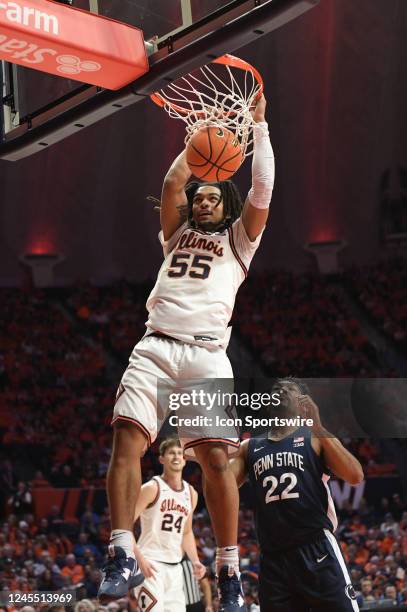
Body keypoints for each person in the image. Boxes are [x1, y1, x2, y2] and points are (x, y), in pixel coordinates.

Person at [98, 93, 275, 611]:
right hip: (154, 346)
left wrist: (257, 129)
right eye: (200, 196)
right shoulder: (175, 236)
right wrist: (195, 149)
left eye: (213, 197)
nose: (202, 201)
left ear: (227, 207)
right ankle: (121, 552)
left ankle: (228, 567)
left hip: (203, 354)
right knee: (126, 442)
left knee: (215, 460)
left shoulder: (241, 243)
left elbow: (262, 188)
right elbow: (173, 183)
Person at [230, 378, 364, 611]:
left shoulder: (315, 438)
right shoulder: (249, 447)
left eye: (288, 388)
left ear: (303, 403)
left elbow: (355, 476)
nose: (280, 390)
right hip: (273, 558)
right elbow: (222, 485)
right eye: (275, 388)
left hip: (316, 547)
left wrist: (318, 427)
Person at [132, 438, 206, 611]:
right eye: (171, 453)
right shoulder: (151, 488)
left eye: (180, 453)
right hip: (150, 563)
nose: (176, 457)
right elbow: (124, 526)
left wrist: (195, 561)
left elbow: (186, 533)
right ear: (161, 459)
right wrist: (139, 559)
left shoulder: (191, 493)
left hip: (175, 568)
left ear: (185, 459)